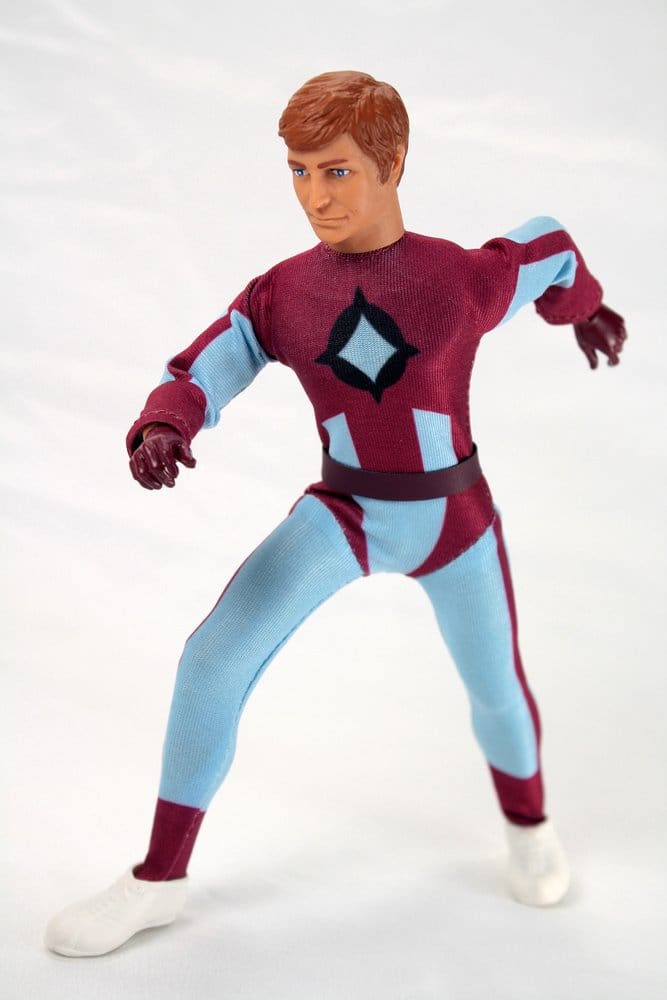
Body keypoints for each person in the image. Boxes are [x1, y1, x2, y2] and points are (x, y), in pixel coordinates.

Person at [45, 71, 627, 958]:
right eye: (299, 172)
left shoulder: (459, 280)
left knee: (495, 684)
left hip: (454, 522)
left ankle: (528, 825)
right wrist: (165, 423)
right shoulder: (284, 293)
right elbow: (208, 363)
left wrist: (581, 309)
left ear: (392, 164)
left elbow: (547, 246)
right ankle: (158, 879)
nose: (315, 196)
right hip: (345, 511)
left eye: (337, 171)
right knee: (211, 658)